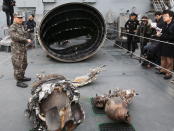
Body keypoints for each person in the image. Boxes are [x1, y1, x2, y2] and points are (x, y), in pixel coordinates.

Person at [9, 12, 32, 88]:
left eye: (21, 18)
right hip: (17, 49)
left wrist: (27, 34)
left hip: (23, 48)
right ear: (14, 18)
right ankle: (19, 81)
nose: (21, 19)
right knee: (18, 65)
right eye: (19, 18)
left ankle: (22, 77)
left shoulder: (21, 26)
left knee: (24, 63)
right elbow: (15, 36)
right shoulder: (13, 27)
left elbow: (24, 33)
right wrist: (26, 40)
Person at [156, 10, 174, 79]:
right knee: (163, 57)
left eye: (166, 16)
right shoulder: (165, 24)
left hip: (170, 44)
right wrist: (158, 34)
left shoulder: (173, 25)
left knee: (170, 60)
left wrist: (161, 35)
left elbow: (172, 37)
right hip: (163, 43)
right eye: (163, 16)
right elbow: (162, 33)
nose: (164, 17)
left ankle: (169, 73)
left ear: (171, 17)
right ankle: (163, 69)